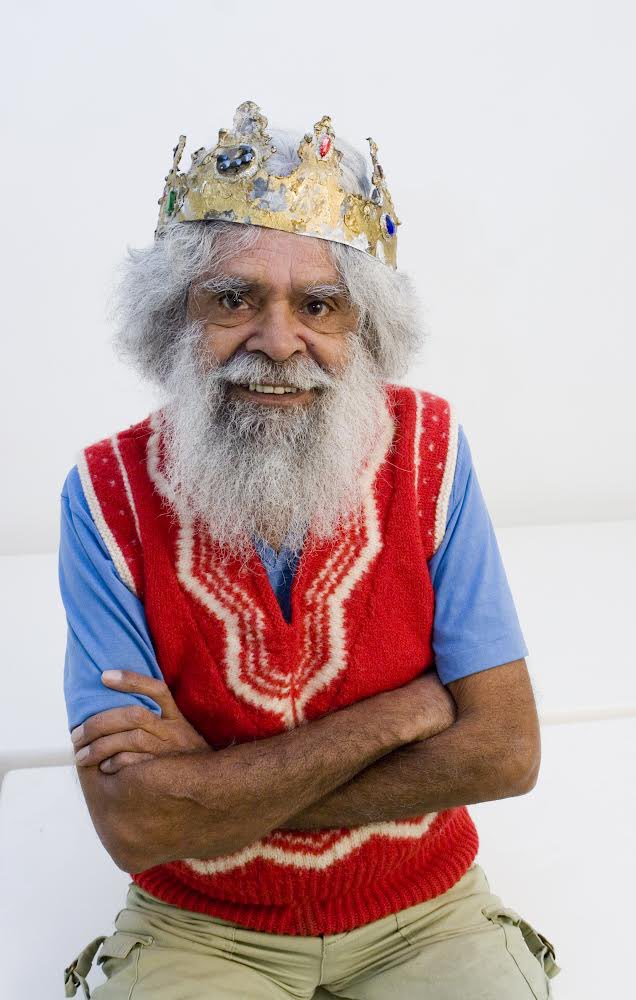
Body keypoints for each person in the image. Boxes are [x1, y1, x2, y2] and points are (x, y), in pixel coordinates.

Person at [59, 101, 560, 998]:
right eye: (232, 299)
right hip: (200, 932)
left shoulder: (432, 451)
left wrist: (206, 797)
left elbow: (504, 753)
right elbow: (136, 827)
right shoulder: (104, 496)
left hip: (427, 916)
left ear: (362, 329)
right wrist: (403, 715)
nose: (278, 341)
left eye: (318, 305)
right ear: (173, 319)